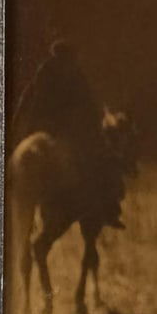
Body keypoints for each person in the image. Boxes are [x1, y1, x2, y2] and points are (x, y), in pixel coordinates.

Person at [11, 39, 125, 230]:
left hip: (37, 127)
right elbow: (89, 104)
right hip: (63, 131)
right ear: (71, 57)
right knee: (97, 163)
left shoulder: (42, 72)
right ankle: (108, 210)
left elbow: (26, 101)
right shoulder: (74, 74)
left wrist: (19, 129)